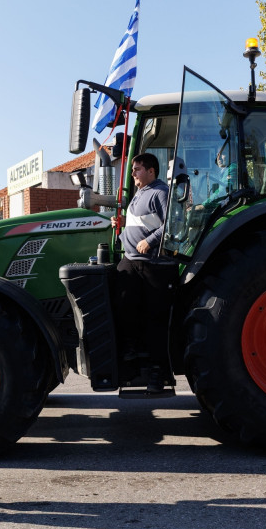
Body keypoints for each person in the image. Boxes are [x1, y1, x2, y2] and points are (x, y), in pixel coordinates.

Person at [110, 153, 178, 393]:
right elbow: (140, 223)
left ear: (151, 171)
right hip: (131, 260)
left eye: (137, 169)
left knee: (154, 321)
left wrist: (150, 241)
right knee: (123, 306)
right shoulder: (139, 193)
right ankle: (129, 358)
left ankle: (158, 374)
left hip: (153, 264)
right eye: (133, 170)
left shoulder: (160, 192)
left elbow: (171, 223)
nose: (133, 173)